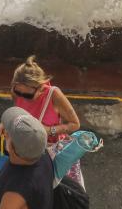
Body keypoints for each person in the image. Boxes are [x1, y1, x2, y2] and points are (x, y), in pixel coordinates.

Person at [9, 55, 84, 187]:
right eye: (18, 92)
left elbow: (75, 124)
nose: (22, 97)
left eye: (28, 95)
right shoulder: (17, 91)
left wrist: (49, 130)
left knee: (53, 192)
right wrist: (7, 123)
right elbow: (17, 112)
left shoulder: (54, 95)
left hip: (51, 154)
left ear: (42, 88)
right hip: (26, 151)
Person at [0, 107, 54, 209]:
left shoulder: (14, 194)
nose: (3, 133)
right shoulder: (43, 155)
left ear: (11, 147)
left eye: (6, 133)